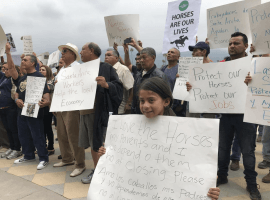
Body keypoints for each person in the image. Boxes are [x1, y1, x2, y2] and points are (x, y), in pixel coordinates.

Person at [98, 77, 220, 200]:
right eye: (141, 101)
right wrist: (106, 155)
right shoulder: (129, 130)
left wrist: (207, 183)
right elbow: (123, 160)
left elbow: (191, 167)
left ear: (166, 101)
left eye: (151, 100)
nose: (145, 105)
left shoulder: (182, 134)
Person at [187, 32, 261, 200]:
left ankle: (251, 184)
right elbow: (207, 84)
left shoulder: (253, 64)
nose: (232, 46)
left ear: (245, 46)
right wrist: (192, 86)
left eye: (236, 43)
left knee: (248, 152)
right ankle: (222, 175)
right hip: (225, 114)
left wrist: (253, 80)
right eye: (230, 43)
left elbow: (264, 84)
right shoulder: (220, 65)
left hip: (246, 115)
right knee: (222, 148)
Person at [79, 42, 123, 184]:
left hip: (97, 113)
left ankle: (102, 173)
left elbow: (118, 87)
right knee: (92, 144)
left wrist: (106, 84)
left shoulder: (106, 68)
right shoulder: (79, 70)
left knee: (99, 144)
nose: (80, 52)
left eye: (83, 50)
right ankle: (98, 169)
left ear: (91, 51)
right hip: (83, 112)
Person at [53, 43, 86, 177]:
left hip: (72, 106)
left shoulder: (78, 68)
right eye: (62, 51)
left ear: (72, 54)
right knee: (61, 133)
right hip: (60, 105)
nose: (62, 53)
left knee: (73, 135)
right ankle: (67, 159)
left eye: (65, 51)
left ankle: (80, 164)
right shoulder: (62, 69)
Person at [13, 53, 50, 170]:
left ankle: (43, 158)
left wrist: (46, 102)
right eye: (22, 60)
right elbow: (17, 93)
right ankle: (28, 155)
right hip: (21, 110)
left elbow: (46, 96)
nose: (22, 61)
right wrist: (17, 99)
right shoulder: (22, 78)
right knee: (23, 134)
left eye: (25, 60)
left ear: (32, 63)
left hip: (33, 110)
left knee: (37, 135)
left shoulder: (39, 77)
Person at [0, 43, 22, 159]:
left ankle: (17, 149)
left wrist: (8, 52)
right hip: (2, 108)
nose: (5, 70)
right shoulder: (4, 78)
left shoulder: (14, 78)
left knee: (13, 129)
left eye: (6, 69)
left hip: (11, 108)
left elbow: (12, 67)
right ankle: (12, 147)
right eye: (3, 69)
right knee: (8, 129)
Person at [131, 47, 169, 114]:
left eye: (144, 58)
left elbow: (164, 98)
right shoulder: (138, 75)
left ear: (153, 58)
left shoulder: (159, 76)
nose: (141, 60)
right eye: (140, 58)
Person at [104, 48, 134, 114]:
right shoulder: (106, 69)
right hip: (108, 106)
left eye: (109, 55)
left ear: (116, 58)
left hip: (120, 107)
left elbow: (131, 87)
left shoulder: (123, 69)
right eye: (105, 55)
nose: (106, 57)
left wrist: (128, 103)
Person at [161, 48, 187, 117]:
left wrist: (181, 105)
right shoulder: (163, 69)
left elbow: (185, 88)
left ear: (178, 57)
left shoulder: (181, 69)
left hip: (177, 107)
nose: (169, 53)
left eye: (172, 52)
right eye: (168, 52)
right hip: (164, 104)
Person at [39, 65, 55, 155]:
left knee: (48, 128)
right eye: (40, 70)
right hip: (40, 107)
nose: (41, 71)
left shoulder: (51, 81)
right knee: (41, 128)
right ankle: (43, 145)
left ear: (48, 71)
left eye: (43, 70)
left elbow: (49, 88)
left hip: (48, 107)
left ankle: (51, 147)